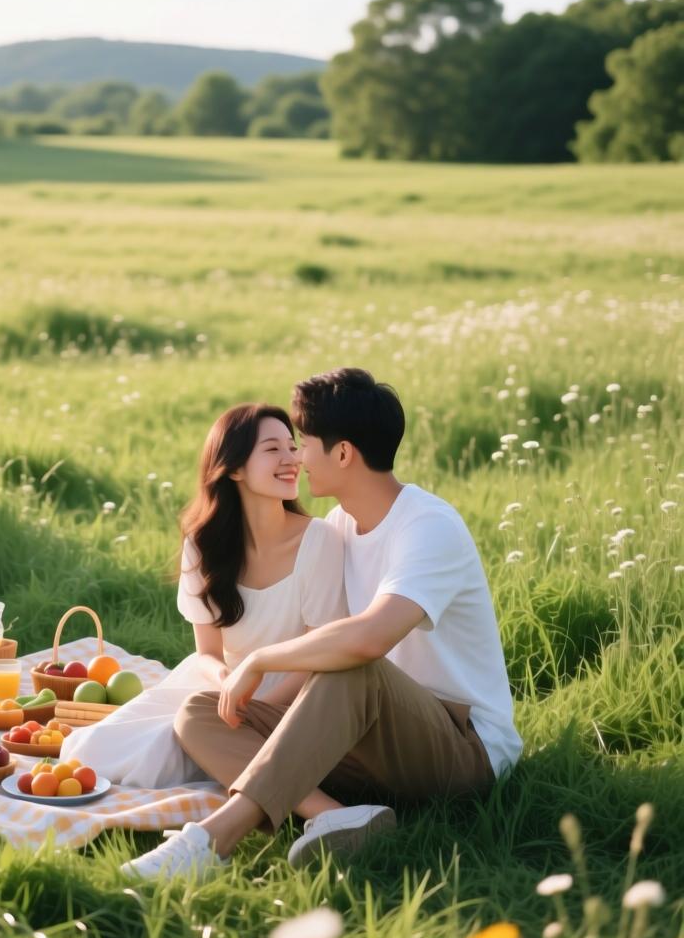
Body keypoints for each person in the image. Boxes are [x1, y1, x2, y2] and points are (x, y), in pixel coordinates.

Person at [121, 367, 522, 880]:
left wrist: (261, 660)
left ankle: (212, 841)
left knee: (355, 666)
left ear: (343, 454)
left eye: (304, 443)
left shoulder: (427, 526)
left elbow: (370, 638)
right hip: (367, 736)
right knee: (200, 713)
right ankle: (342, 817)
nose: (296, 458)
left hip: (462, 746)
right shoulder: (339, 528)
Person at [62, 402, 348, 804]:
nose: (292, 459)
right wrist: (231, 688)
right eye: (272, 450)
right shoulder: (204, 544)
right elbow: (207, 654)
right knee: (91, 750)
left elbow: (319, 652)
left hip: (293, 695)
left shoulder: (320, 540)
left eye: (292, 446)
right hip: (219, 688)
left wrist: (258, 707)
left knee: (157, 759)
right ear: (233, 468)